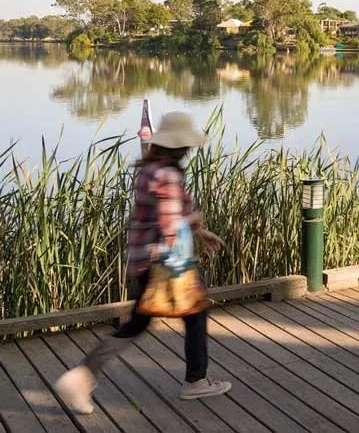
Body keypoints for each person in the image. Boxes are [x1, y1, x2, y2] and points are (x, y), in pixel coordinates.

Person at [55, 112, 231, 415]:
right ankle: (195, 380)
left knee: (139, 323)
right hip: (166, 264)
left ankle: (81, 376)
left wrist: (202, 233)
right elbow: (171, 225)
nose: (188, 150)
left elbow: (157, 217)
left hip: (145, 260)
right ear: (178, 147)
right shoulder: (167, 176)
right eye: (186, 145)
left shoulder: (148, 170)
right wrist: (196, 218)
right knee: (194, 314)